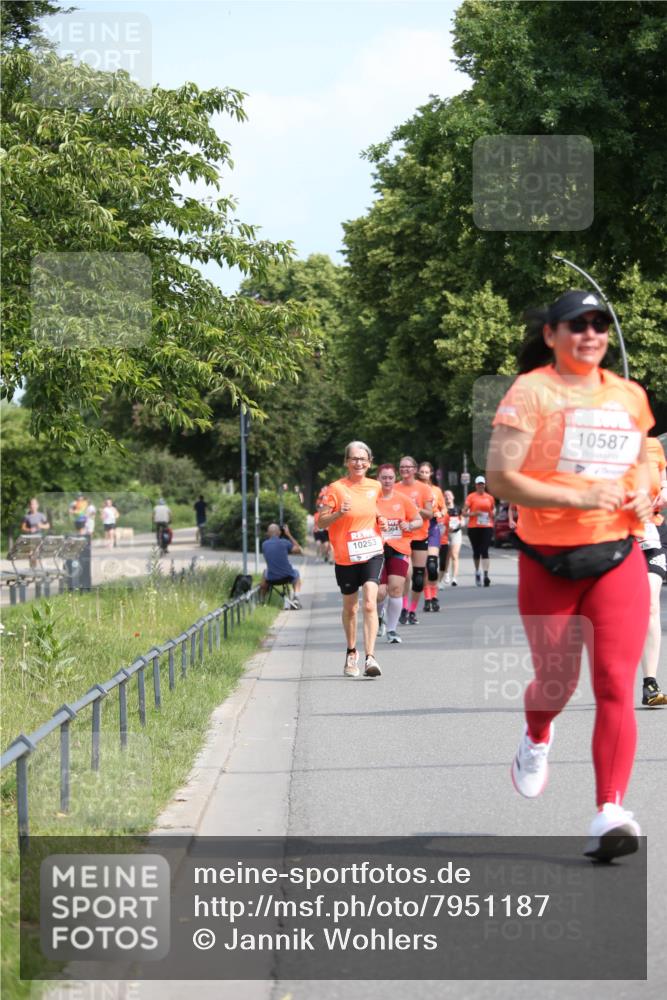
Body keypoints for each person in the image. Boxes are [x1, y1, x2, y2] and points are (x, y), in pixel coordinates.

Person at [486, 288, 654, 861]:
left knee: (614, 685)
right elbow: (501, 477)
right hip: (548, 563)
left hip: (616, 558)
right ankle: (536, 736)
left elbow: (646, 458)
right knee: (557, 685)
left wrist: (642, 492)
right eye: (575, 324)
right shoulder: (530, 392)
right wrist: (580, 499)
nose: (590, 333)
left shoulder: (628, 396)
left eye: (599, 323)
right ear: (552, 336)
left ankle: (609, 811)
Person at [317, 441, 386, 677]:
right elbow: (321, 522)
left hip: (372, 551)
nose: (359, 463)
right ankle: (351, 651)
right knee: (351, 607)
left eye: (363, 459)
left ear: (370, 462)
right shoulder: (335, 489)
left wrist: (381, 519)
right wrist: (338, 513)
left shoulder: (375, 486)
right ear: (346, 462)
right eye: (354, 459)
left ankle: (370, 657)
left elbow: (374, 508)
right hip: (346, 556)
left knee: (369, 602)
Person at [376, 464, 422, 643]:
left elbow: (418, 520)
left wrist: (409, 525)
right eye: (384, 478)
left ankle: (392, 630)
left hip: (399, 548)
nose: (387, 481)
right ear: (378, 479)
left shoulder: (402, 500)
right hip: (377, 549)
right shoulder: (372, 500)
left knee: (396, 589)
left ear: (395, 479)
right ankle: (379, 618)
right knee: (380, 592)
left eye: (390, 478)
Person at [637, 434, 667, 706]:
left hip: (649, 543)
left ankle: (650, 683)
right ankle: (612, 675)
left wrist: (663, 496)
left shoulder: (654, 446)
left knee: (651, 606)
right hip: (613, 545)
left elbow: (664, 483)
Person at [395, 456, 434, 625]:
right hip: (402, 537)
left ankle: (412, 610)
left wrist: (413, 508)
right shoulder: (395, 488)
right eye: (402, 467)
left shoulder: (424, 488)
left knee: (418, 577)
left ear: (415, 469)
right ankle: (403, 608)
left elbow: (429, 513)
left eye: (408, 467)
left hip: (420, 535)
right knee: (405, 574)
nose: (404, 470)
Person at [417, 462, 447, 612]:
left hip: (433, 527)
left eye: (426, 472)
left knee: (432, 565)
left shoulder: (436, 490)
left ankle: (434, 596)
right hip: (419, 528)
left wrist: (441, 513)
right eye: (421, 471)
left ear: (431, 474)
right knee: (422, 568)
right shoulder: (415, 489)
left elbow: (444, 507)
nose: (424, 474)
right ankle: (428, 598)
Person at [260, 522, 303, 608]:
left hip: (271, 578)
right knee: (297, 573)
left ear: (268, 533)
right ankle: (296, 597)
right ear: (279, 532)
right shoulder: (285, 542)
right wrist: (288, 534)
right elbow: (299, 550)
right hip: (287, 576)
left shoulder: (264, 544)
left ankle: (262, 600)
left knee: (265, 572)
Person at [463, 476, 496, 586]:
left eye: (482, 484)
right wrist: (474, 514)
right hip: (474, 527)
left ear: (485, 485)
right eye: (479, 484)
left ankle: (486, 575)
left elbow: (492, 510)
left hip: (487, 526)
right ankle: (477, 571)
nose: (480, 486)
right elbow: (464, 512)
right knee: (476, 552)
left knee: (485, 550)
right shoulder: (471, 497)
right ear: (476, 485)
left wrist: (493, 514)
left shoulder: (490, 498)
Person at [439, 489, 462, 587]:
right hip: (445, 534)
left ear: (453, 497)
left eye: (449, 495)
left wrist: (458, 525)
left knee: (454, 555)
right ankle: (446, 573)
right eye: (446, 495)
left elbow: (462, 521)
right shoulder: (442, 510)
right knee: (446, 556)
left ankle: (454, 578)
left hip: (456, 533)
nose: (448, 497)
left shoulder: (457, 509)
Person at [21, 498, 50, 566]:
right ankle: (33, 569)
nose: (33, 506)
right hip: (30, 538)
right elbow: (23, 527)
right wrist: (30, 530)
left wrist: (41, 526)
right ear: (29, 506)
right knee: (31, 554)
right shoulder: (26, 516)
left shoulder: (41, 515)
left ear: (37, 505)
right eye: (31, 504)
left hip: (39, 537)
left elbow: (48, 526)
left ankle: (37, 569)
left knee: (37, 553)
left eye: (34, 504)